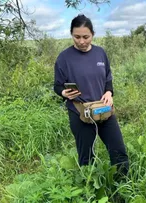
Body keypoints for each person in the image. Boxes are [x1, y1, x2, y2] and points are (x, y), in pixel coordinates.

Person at [53, 14, 129, 179]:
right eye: (77, 37)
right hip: (80, 113)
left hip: (104, 109)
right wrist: (64, 93)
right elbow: (57, 85)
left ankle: (122, 188)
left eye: (86, 37)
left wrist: (109, 92)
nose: (81, 41)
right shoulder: (64, 58)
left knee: (119, 152)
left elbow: (108, 77)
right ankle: (90, 192)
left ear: (93, 34)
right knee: (86, 158)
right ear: (71, 34)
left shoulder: (100, 53)